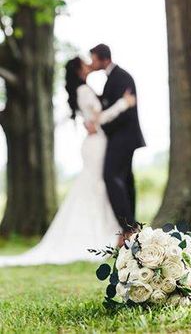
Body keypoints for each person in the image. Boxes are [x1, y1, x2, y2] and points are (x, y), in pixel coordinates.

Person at [0, 56, 136, 266]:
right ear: (79, 71)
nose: (88, 65)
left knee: (97, 186)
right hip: (96, 144)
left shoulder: (83, 90)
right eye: (84, 64)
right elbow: (98, 118)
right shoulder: (83, 91)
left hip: (96, 142)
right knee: (97, 185)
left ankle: (112, 230)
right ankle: (103, 233)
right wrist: (123, 104)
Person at [87, 44, 145, 246]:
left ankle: (129, 227)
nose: (91, 63)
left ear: (103, 58)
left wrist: (102, 126)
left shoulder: (121, 77)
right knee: (125, 179)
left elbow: (124, 113)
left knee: (112, 177)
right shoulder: (113, 79)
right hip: (120, 137)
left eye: (93, 59)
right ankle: (130, 227)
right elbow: (109, 105)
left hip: (123, 137)